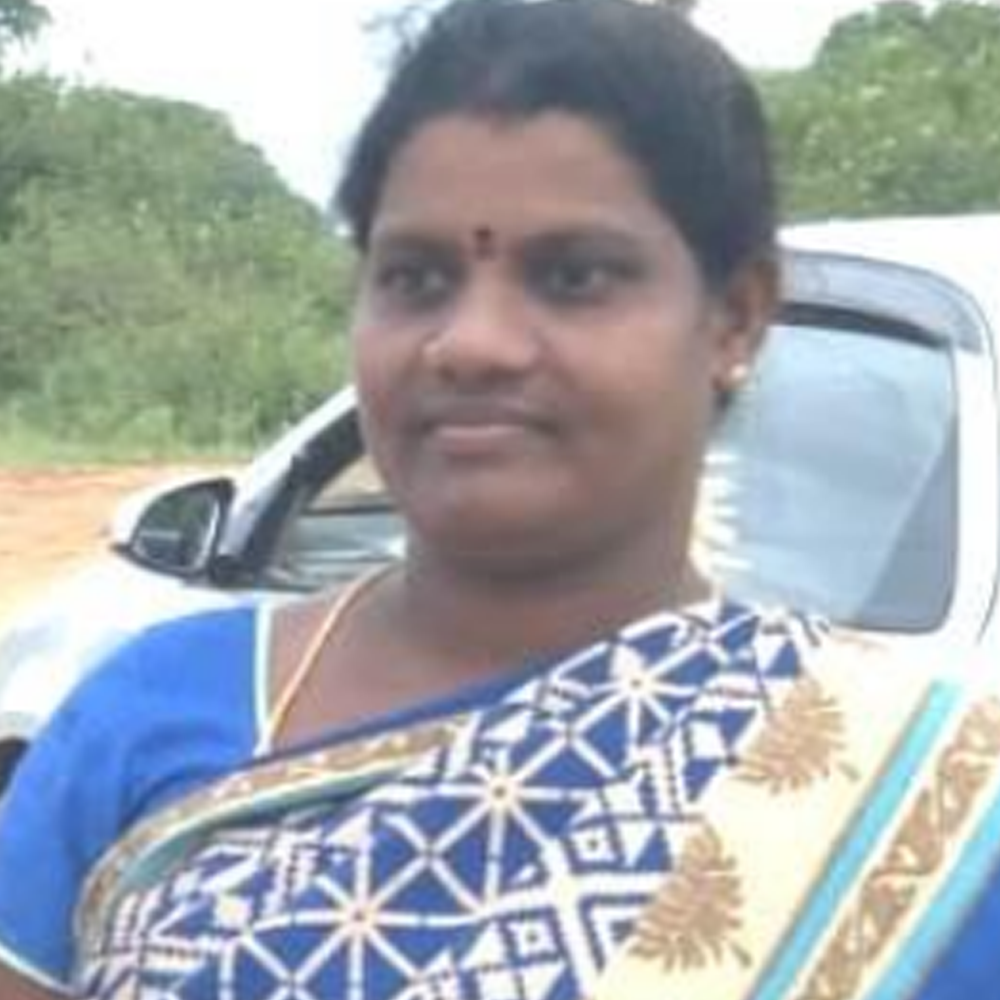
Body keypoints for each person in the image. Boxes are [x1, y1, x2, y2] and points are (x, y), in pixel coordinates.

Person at [2, 0, 1000, 997]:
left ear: (735, 317)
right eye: (416, 277)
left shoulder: (911, 800)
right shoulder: (151, 706)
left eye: (574, 276)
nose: (472, 342)